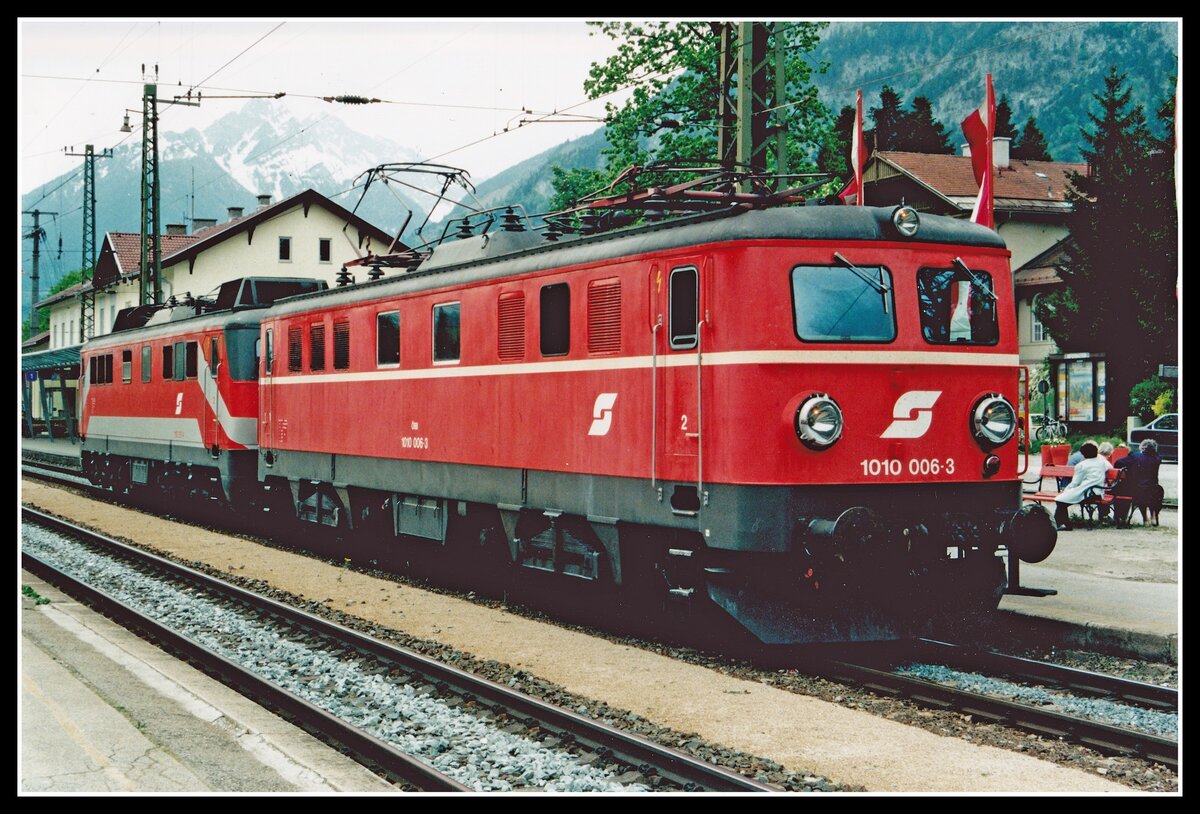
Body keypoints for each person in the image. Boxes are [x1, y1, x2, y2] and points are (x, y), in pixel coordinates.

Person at [1054, 441, 1112, 531]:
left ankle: (1063, 524)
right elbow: (1110, 468)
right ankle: (1062, 524)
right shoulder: (1102, 462)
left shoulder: (1082, 465)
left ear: (1084, 454)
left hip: (1086, 492)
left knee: (1060, 500)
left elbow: (1075, 483)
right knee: (1062, 499)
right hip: (1098, 493)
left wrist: (1066, 490)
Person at [1113, 438, 1163, 525]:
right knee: (1152, 497)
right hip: (1154, 488)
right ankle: (1153, 516)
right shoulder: (1157, 459)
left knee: (1123, 490)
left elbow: (1117, 463)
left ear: (1142, 448)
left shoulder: (1134, 456)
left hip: (1138, 487)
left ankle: (1144, 519)